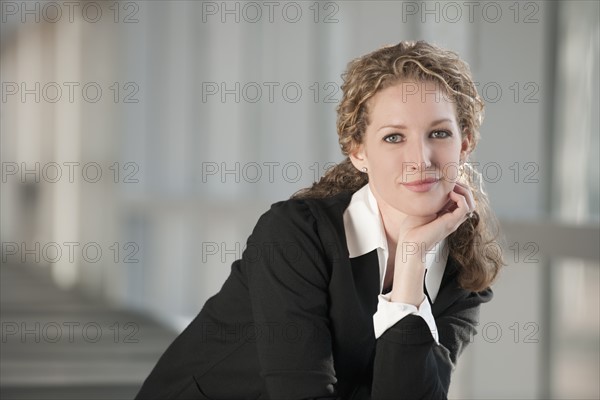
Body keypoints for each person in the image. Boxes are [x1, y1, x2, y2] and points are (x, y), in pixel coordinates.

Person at [135, 40, 504, 400]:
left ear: (465, 144)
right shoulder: (294, 235)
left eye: (439, 133)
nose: (420, 159)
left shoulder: (462, 273)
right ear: (359, 152)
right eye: (394, 137)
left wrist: (410, 264)